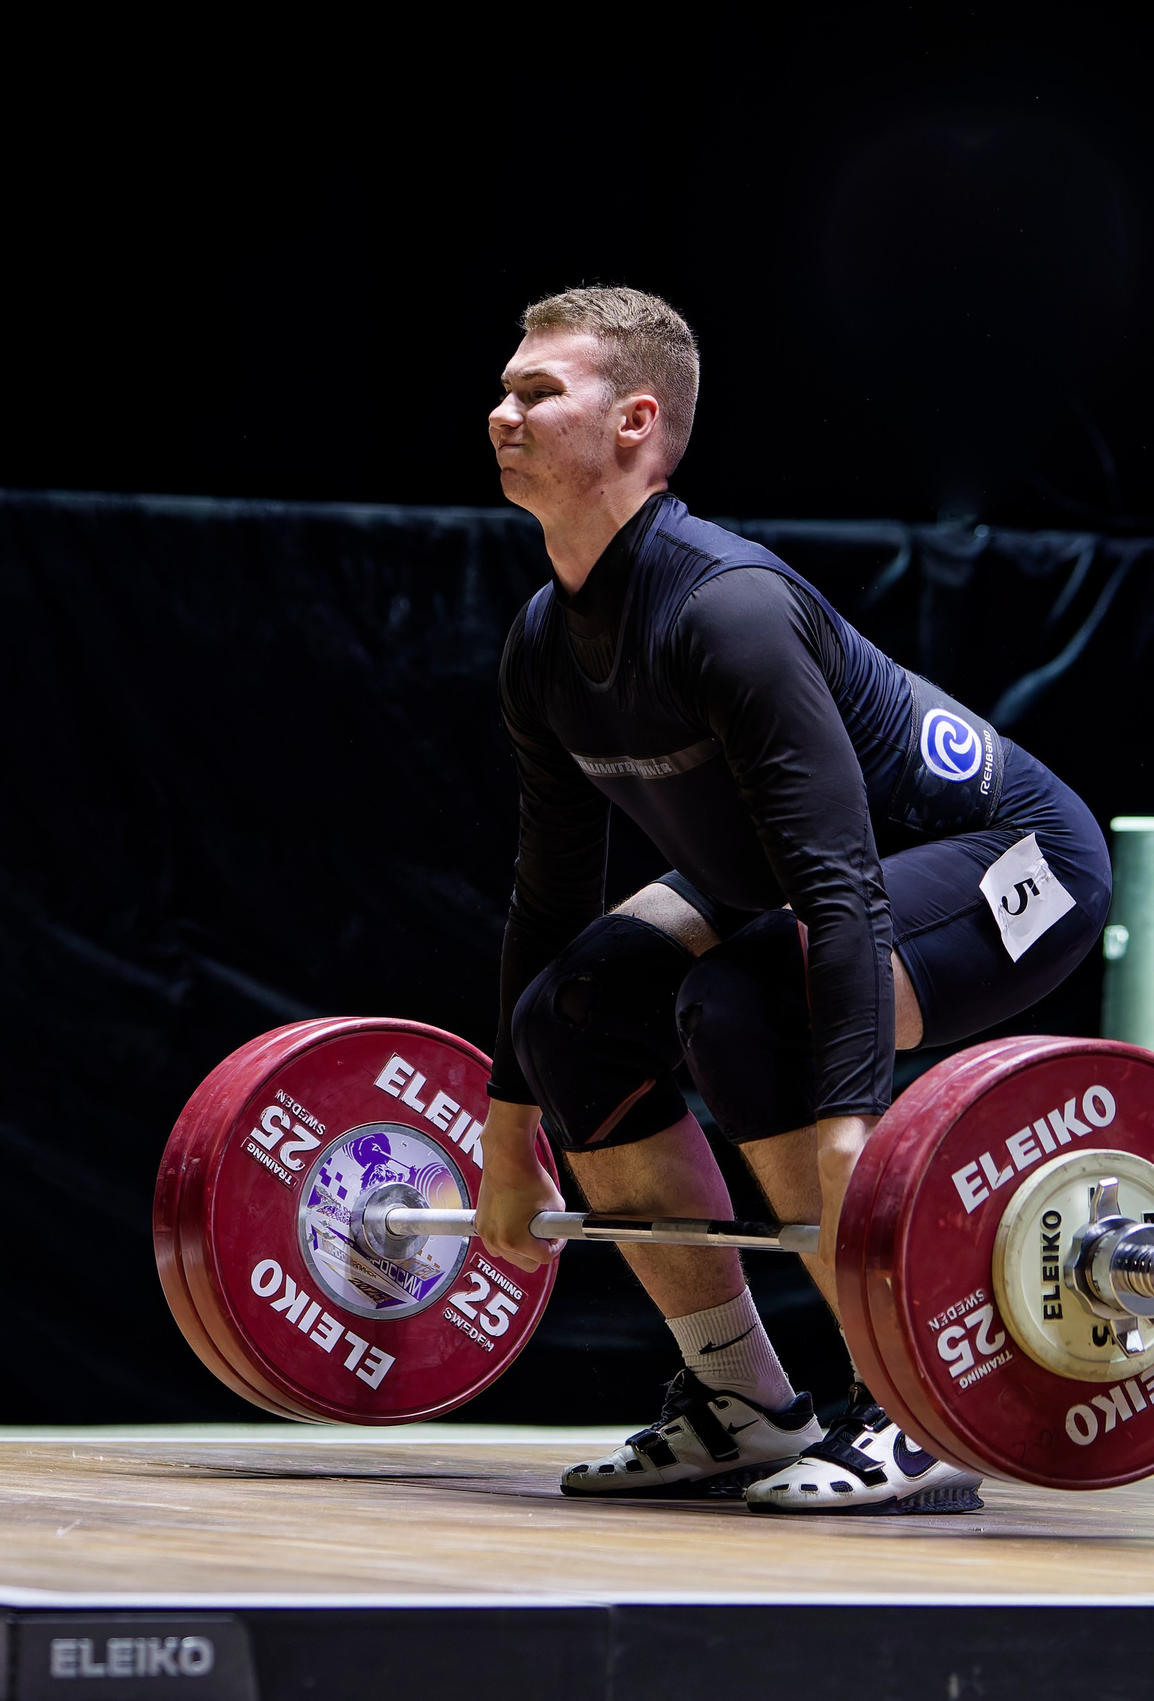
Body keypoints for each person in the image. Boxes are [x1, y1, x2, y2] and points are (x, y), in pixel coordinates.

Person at [469, 287, 1108, 1514]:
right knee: (576, 1011)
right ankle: (744, 1405)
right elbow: (548, 897)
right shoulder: (544, 644)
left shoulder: (728, 609)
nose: (503, 411)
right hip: (777, 878)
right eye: (503, 389)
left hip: (1015, 860)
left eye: (538, 391)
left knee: (758, 1001)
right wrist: (511, 1138)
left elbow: (837, 883)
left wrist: (847, 1125)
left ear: (636, 422)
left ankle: (915, 1416)